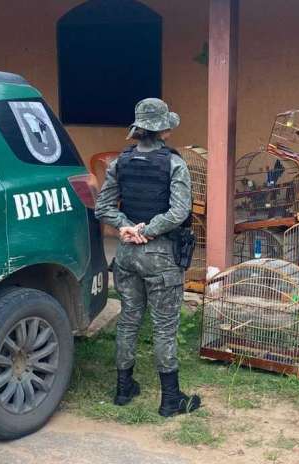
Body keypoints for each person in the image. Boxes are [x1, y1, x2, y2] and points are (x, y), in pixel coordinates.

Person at [94, 98, 202, 417]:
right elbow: (180, 211)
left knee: (129, 318)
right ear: (164, 130)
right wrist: (150, 230)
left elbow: (103, 208)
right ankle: (170, 399)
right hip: (160, 256)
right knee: (164, 326)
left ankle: (123, 389)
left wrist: (128, 228)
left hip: (127, 254)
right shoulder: (175, 163)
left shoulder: (120, 162)